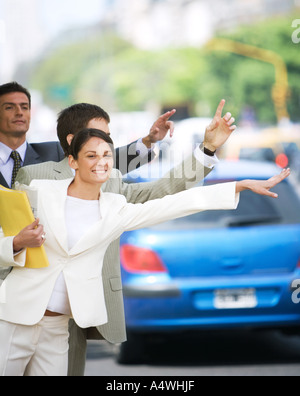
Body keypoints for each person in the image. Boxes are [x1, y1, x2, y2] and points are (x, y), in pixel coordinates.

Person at [0, 128, 290, 376]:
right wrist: (16, 242)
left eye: (106, 155)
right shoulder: (38, 190)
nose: (100, 163)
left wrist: (238, 185)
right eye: (91, 155)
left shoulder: (117, 208)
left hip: (57, 327)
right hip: (15, 315)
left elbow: (177, 202)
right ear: (72, 162)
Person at [0, 82, 169, 188]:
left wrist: (148, 141)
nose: (19, 113)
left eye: (24, 107)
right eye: (9, 107)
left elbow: (111, 161)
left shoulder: (55, 152)